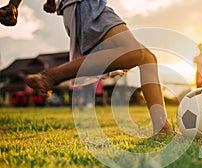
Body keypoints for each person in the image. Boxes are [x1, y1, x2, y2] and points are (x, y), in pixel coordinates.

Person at [20, 0, 175, 135]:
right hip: (84, 6)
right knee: (134, 53)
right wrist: (14, 4)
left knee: (148, 59)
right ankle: (52, 76)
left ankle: (162, 128)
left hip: (91, 6)